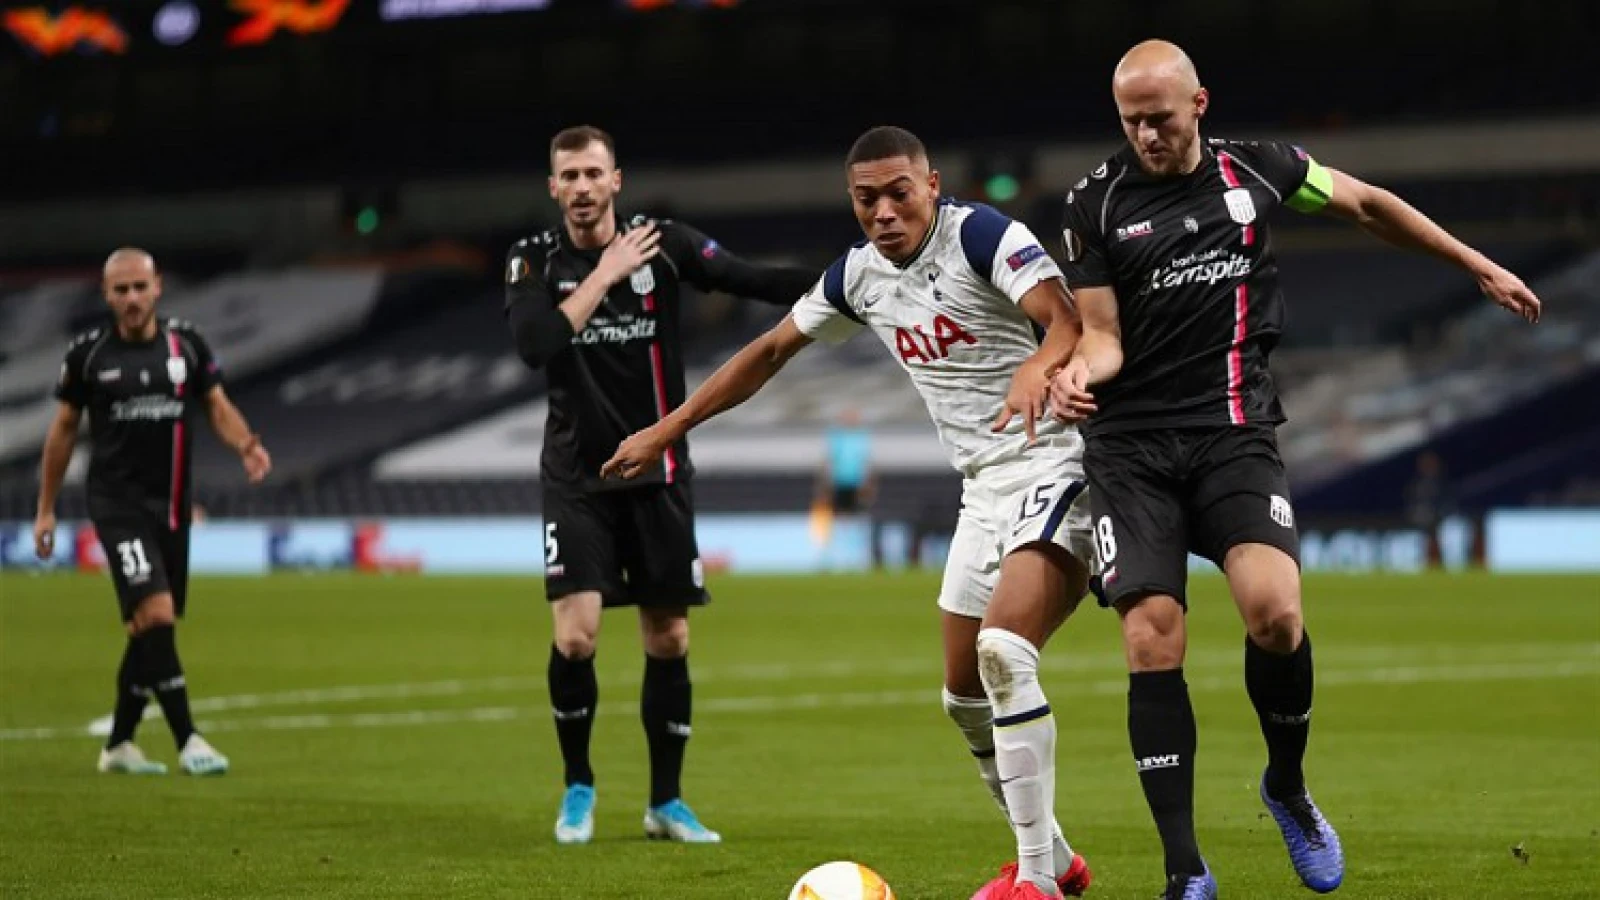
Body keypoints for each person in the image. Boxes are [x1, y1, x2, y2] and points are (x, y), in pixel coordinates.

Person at [1050, 40, 1542, 899]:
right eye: (1130, 122)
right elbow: (1102, 336)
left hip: (1233, 431)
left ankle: (1287, 786)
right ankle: (1184, 870)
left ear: (1199, 103)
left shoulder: (1262, 170)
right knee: (1150, 634)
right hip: (1130, 449)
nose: (1145, 137)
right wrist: (1073, 377)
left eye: (1159, 119)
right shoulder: (1093, 205)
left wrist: (1476, 264)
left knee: (1275, 616)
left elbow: (1366, 203)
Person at [605, 126, 1097, 900]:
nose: (884, 211)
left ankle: (1036, 882)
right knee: (963, 697)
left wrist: (1038, 366)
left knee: (1004, 653)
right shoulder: (859, 279)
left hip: (1059, 460)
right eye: (866, 199)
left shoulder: (983, 236)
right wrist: (666, 430)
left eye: (900, 192)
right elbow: (767, 353)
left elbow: (1068, 319)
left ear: (931, 184)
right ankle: (1058, 858)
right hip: (982, 486)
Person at [504, 125, 819, 845]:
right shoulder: (532, 260)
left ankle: (665, 802)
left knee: (669, 636)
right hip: (577, 479)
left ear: (617, 179)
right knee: (577, 638)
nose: (582, 187)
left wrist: (849, 282)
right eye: (569, 177)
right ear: (553, 189)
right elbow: (535, 345)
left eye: (593, 173)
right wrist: (606, 274)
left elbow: (747, 277)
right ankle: (578, 785)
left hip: (660, 472)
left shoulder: (666, 245)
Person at [33, 248, 274, 777]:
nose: (132, 299)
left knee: (149, 628)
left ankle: (119, 743)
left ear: (158, 287)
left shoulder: (186, 344)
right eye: (121, 290)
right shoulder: (87, 356)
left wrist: (246, 445)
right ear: (106, 295)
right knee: (157, 615)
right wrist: (46, 510)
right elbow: (63, 432)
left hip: (171, 508)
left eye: (140, 287)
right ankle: (188, 739)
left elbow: (216, 403)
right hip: (116, 506)